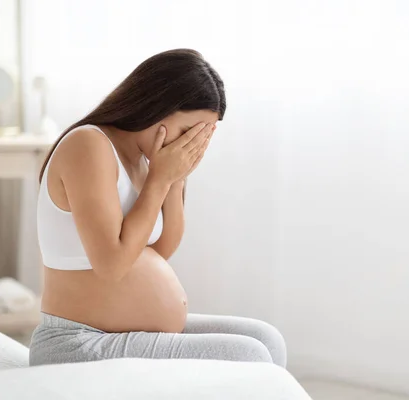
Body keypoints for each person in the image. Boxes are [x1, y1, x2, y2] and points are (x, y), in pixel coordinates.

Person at [29, 49, 286, 367]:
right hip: (77, 341)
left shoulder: (141, 160)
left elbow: (158, 250)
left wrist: (174, 178)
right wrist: (159, 180)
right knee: (250, 355)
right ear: (156, 106)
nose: (188, 144)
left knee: (266, 340)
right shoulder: (89, 145)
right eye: (187, 132)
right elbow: (112, 266)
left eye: (199, 137)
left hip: (117, 332)